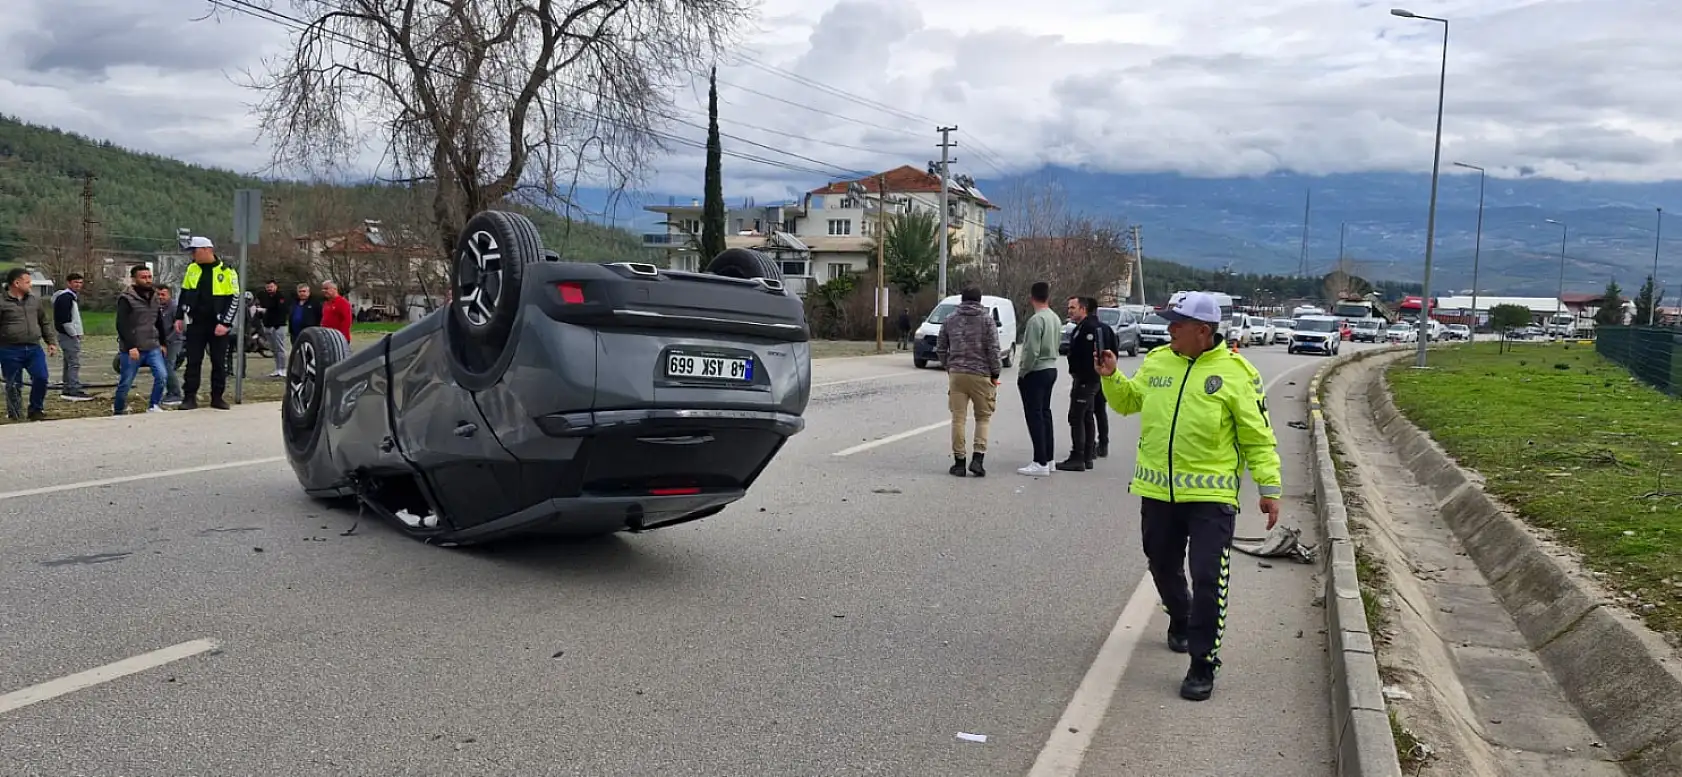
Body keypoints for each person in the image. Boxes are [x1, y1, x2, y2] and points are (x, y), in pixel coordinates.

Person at [1095, 290, 1283, 702]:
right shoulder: (1159, 360)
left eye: (1176, 324)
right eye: (1169, 322)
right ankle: (1179, 618)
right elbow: (1128, 404)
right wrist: (1111, 377)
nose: (1169, 329)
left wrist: (1269, 488)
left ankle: (1202, 663)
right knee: (1161, 564)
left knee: (1207, 577)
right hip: (1157, 491)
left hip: (1210, 497)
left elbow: (1258, 436)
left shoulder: (1237, 372)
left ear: (1203, 330)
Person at [934, 285, 1001, 477]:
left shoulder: (949, 320)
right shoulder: (987, 321)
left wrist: (949, 366)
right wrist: (995, 374)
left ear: (961, 300)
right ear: (980, 301)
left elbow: (940, 348)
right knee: (983, 418)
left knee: (958, 419)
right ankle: (978, 459)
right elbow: (994, 350)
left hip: (957, 374)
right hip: (981, 374)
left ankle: (959, 462)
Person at [174, 235, 240, 410]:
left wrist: (225, 323)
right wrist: (179, 316)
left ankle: (217, 397)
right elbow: (184, 293)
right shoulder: (192, 269)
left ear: (206, 250)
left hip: (218, 323)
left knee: (219, 362)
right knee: (193, 361)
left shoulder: (227, 270)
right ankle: (189, 397)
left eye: (194, 251)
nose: (192, 255)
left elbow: (234, 299)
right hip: (196, 322)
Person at [0, 268, 59, 421]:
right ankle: (15, 414)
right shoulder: (2, 302)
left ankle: (36, 410)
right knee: (13, 384)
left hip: (33, 348)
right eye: (27, 282)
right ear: (16, 283)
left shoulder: (34, 300)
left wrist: (51, 342)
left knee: (41, 377)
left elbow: (44, 322)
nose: (30, 285)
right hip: (9, 349)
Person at [1015, 281, 1060, 477]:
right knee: (1045, 414)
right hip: (1051, 367)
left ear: (1031, 298)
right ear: (1048, 297)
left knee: (1034, 416)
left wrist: (1023, 371)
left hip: (1036, 370)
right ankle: (1049, 459)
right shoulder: (1055, 318)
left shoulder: (1036, 320)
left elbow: (1032, 350)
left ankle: (1039, 460)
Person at [1057, 295, 1107, 472]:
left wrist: (1084, 376)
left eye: (1073, 308)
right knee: (1086, 416)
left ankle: (1078, 456)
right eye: (1069, 308)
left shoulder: (1089, 329)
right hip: (1083, 378)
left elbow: (1090, 355)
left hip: (1087, 379)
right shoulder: (1082, 327)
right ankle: (1087, 456)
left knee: (1076, 417)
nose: (1069, 311)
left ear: (1083, 309)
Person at [113, 264, 169, 415]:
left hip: (153, 345)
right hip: (132, 348)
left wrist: (163, 343)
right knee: (126, 382)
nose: (147, 280)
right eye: (143, 277)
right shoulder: (126, 298)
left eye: (149, 277)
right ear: (134, 279)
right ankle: (118, 409)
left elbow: (158, 321)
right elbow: (121, 324)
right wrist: (131, 346)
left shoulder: (155, 296)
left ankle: (154, 405)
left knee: (162, 376)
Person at [52, 273, 93, 401]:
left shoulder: (69, 297)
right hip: (67, 335)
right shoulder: (66, 298)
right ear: (68, 283)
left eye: (80, 282)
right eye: (76, 282)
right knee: (73, 363)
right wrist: (74, 334)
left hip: (66, 334)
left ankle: (67, 387)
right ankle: (73, 389)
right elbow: (65, 320)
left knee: (68, 362)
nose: (78, 285)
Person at [157, 285, 185, 406]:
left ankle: (176, 393)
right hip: (162, 342)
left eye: (163, 294)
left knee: (168, 366)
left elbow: (179, 326)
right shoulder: (158, 308)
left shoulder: (174, 308)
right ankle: (169, 392)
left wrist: (167, 341)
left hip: (173, 341)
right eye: (158, 294)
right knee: (163, 367)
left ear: (169, 295)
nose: (160, 297)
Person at [255, 279, 289, 377]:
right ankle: (277, 368)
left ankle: (283, 368)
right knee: (274, 349)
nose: (269, 289)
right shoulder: (264, 296)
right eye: (268, 287)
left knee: (280, 348)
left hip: (278, 326)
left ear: (276, 287)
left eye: (271, 287)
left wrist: (266, 310)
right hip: (268, 326)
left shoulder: (280, 296)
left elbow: (281, 310)